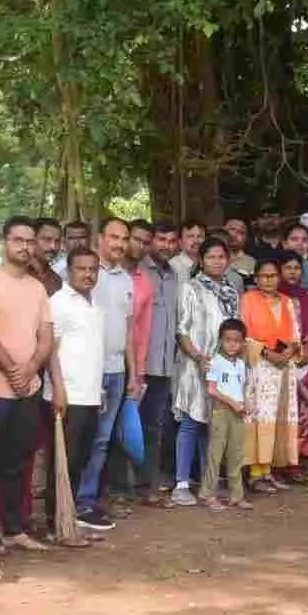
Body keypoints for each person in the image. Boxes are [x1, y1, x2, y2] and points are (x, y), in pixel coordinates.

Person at [0, 217, 54, 552]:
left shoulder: (38, 288)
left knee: (19, 461)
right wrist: (12, 370)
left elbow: (46, 336)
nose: (24, 247)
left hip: (29, 389)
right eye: (17, 240)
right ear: (4, 243)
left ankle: (13, 528)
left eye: (29, 241)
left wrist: (32, 368)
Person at [77, 217, 136, 530]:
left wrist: (133, 373)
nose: (119, 244)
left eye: (124, 238)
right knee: (81, 439)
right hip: (85, 374)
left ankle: (87, 502)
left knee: (102, 441)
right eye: (113, 237)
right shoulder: (81, 273)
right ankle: (69, 503)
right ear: (100, 238)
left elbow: (128, 331)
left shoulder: (126, 279)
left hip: (116, 371)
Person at [172, 237, 238, 507]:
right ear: (201, 260)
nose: (216, 261)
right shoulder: (190, 287)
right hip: (195, 364)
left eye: (221, 256)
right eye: (211, 257)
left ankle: (208, 483)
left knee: (214, 426)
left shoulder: (232, 292)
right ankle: (181, 483)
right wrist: (198, 356)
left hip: (223, 367)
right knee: (191, 423)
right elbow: (182, 329)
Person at [47, 246, 105, 543]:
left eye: (93, 269)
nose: (88, 274)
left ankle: (69, 520)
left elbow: (93, 352)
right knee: (63, 463)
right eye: (81, 269)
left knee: (79, 460)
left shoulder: (94, 304)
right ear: (68, 271)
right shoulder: (59, 302)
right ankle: (56, 523)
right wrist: (58, 389)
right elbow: (50, 350)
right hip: (67, 396)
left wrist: (100, 390)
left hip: (90, 395)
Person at [241, 257, 302, 491]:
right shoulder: (248, 300)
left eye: (273, 275)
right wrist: (267, 353)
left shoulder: (287, 302)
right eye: (264, 276)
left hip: (284, 369)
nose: (269, 280)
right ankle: (256, 474)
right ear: (256, 279)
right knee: (259, 420)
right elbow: (242, 335)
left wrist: (290, 351)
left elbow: (296, 334)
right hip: (259, 368)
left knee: (277, 419)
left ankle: (269, 471)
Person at [133, 222, 180, 504]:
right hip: (140, 364)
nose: (166, 245)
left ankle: (148, 485)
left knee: (154, 426)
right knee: (127, 426)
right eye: (161, 239)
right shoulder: (139, 273)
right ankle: (124, 487)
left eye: (171, 240)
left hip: (164, 366)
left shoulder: (174, 274)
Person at [280, 251, 308, 472]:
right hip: (279, 361)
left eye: (296, 268)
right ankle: (281, 460)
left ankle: (300, 459)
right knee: (284, 411)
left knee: (305, 411)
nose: (293, 272)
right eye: (288, 267)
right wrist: (287, 350)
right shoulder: (275, 297)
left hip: (304, 362)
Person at [202, 320, 252, 511]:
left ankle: (236, 495)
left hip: (237, 413)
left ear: (243, 343)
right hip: (221, 412)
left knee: (236, 454)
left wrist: (246, 402)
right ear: (221, 340)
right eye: (228, 340)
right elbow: (212, 390)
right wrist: (232, 402)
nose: (232, 344)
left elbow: (243, 388)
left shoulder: (240, 364)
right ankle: (209, 495)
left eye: (236, 340)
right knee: (215, 454)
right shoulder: (215, 362)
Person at [30, 218, 64, 295]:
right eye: (47, 240)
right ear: (32, 240)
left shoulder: (56, 280)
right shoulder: (16, 274)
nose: (53, 247)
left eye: (57, 241)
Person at [222, 218, 255, 294]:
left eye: (241, 233)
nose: (234, 234)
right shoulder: (209, 256)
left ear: (246, 239)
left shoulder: (251, 263)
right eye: (232, 229)